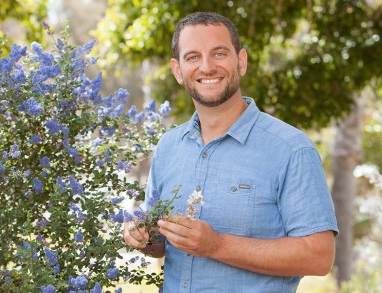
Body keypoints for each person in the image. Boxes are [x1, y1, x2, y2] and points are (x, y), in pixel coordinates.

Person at [123, 11, 339, 292]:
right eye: (192, 57)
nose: (207, 67)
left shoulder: (291, 149)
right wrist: (144, 237)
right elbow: (161, 246)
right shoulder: (169, 146)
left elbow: (319, 256)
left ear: (241, 61)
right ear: (177, 70)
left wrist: (217, 245)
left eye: (219, 53)